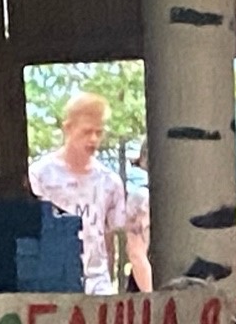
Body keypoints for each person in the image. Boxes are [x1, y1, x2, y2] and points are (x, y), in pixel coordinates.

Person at [29, 91, 151, 296]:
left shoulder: (109, 182)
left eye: (99, 132)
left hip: (97, 285)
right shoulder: (40, 175)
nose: (93, 139)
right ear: (68, 128)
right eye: (86, 132)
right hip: (54, 284)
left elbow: (108, 239)